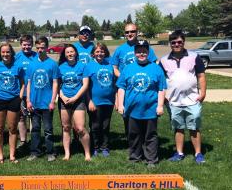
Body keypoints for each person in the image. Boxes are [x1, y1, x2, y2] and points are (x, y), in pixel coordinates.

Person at [117, 40, 166, 168]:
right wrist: (120, 104)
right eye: (138, 51)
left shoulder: (156, 68)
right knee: (133, 135)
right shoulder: (128, 68)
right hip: (132, 110)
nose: (141, 54)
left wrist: (160, 105)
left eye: (144, 51)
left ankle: (151, 159)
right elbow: (121, 87)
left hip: (150, 109)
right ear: (135, 53)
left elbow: (161, 88)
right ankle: (135, 157)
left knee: (150, 135)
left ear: (148, 52)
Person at [159, 30, 207, 164]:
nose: (176, 44)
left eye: (179, 42)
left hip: (192, 99)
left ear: (184, 42)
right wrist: (164, 96)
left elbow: (201, 76)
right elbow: (160, 79)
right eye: (173, 42)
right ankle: (179, 153)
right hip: (173, 101)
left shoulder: (194, 56)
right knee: (178, 127)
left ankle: (198, 153)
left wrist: (202, 93)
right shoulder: (163, 60)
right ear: (170, 44)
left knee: (194, 127)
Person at [0, 43, 25, 163]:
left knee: (12, 128)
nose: (5, 54)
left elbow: (23, 83)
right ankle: (0, 155)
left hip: (13, 100)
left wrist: (19, 97)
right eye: (3, 52)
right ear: (0, 53)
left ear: (11, 53)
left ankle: (12, 155)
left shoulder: (17, 66)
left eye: (8, 52)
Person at [26, 36, 59, 162]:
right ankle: (35, 151)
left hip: (47, 103)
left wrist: (52, 101)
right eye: (38, 48)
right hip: (34, 103)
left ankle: (51, 152)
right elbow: (29, 83)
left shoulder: (52, 64)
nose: (40, 50)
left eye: (43, 47)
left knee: (48, 129)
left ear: (47, 47)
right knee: (34, 129)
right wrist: (28, 100)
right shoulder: (32, 64)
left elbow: (55, 83)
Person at [58, 44, 91, 161]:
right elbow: (57, 85)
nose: (70, 54)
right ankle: (67, 154)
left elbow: (85, 84)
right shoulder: (61, 67)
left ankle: (87, 153)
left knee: (80, 128)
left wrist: (75, 98)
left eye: (72, 52)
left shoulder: (82, 66)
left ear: (76, 53)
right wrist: (62, 96)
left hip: (78, 100)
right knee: (66, 127)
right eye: (67, 52)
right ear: (65, 55)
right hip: (64, 100)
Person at [85, 43, 116, 157]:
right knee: (95, 125)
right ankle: (95, 147)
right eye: (97, 51)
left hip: (108, 101)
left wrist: (116, 99)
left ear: (105, 53)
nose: (100, 53)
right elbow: (86, 87)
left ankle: (105, 147)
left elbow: (114, 83)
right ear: (93, 53)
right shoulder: (89, 66)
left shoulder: (110, 65)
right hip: (95, 101)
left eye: (102, 51)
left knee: (105, 126)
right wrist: (89, 101)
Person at [15, 34, 37, 148]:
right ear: (20, 45)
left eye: (29, 45)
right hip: (20, 93)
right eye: (24, 45)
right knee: (21, 117)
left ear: (32, 45)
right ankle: (23, 140)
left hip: (34, 93)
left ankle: (34, 139)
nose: (26, 47)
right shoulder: (16, 57)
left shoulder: (37, 56)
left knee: (33, 116)